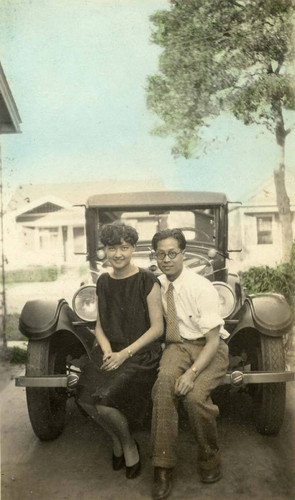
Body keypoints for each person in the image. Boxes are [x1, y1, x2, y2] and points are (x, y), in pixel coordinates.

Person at [77, 222, 163, 479]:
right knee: (83, 398)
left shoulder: (147, 280)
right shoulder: (103, 281)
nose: (118, 254)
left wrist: (123, 354)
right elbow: (100, 327)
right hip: (110, 352)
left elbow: (157, 329)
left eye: (124, 247)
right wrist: (105, 351)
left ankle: (128, 444)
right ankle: (116, 438)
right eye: (112, 248)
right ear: (105, 250)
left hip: (141, 354)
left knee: (103, 404)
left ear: (133, 248)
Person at [150, 228, 229, 500]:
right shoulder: (157, 285)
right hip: (178, 346)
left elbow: (213, 340)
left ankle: (209, 458)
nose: (167, 259)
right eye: (161, 254)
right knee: (163, 386)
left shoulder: (201, 286)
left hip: (210, 348)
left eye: (172, 253)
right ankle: (162, 467)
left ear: (183, 254)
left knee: (194, 398)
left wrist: (192, 374)